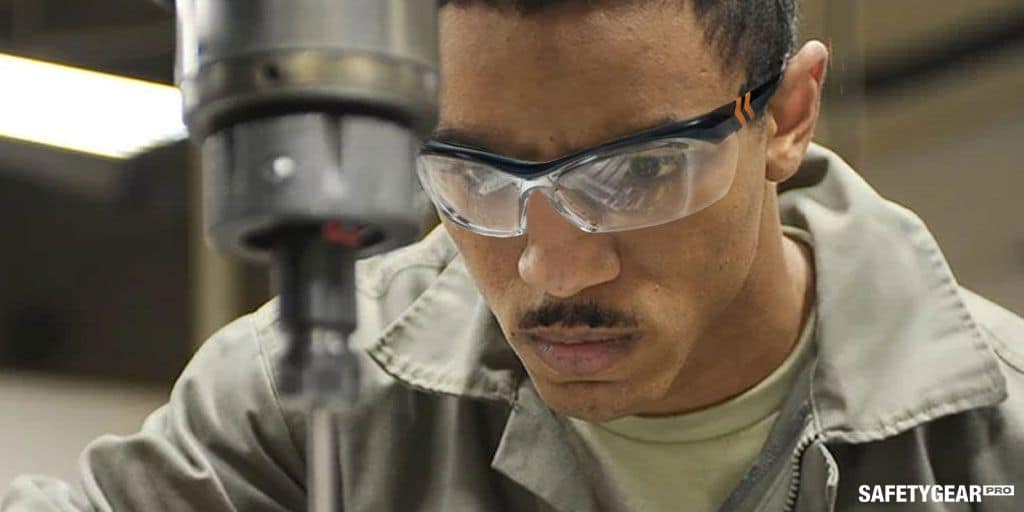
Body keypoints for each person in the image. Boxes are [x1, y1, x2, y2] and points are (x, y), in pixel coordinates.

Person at [4, 1, 1023, 511]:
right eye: (475, 177)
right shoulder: (295, 403)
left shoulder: (996, 441)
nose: (553, 269)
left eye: (636, 176)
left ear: (787, 116)